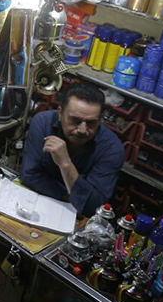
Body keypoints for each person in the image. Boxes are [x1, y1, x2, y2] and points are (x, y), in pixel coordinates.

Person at [20, 83, 124, 217]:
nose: (82, 130)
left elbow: (93, 206)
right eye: (75, 120)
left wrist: (66, 164)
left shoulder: (112, 149)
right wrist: (71, 196)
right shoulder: (42, 123)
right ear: (60, 113)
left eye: (91, 123)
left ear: (100, 120)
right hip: (35, 203)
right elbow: (29, 175)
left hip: (76, 217)